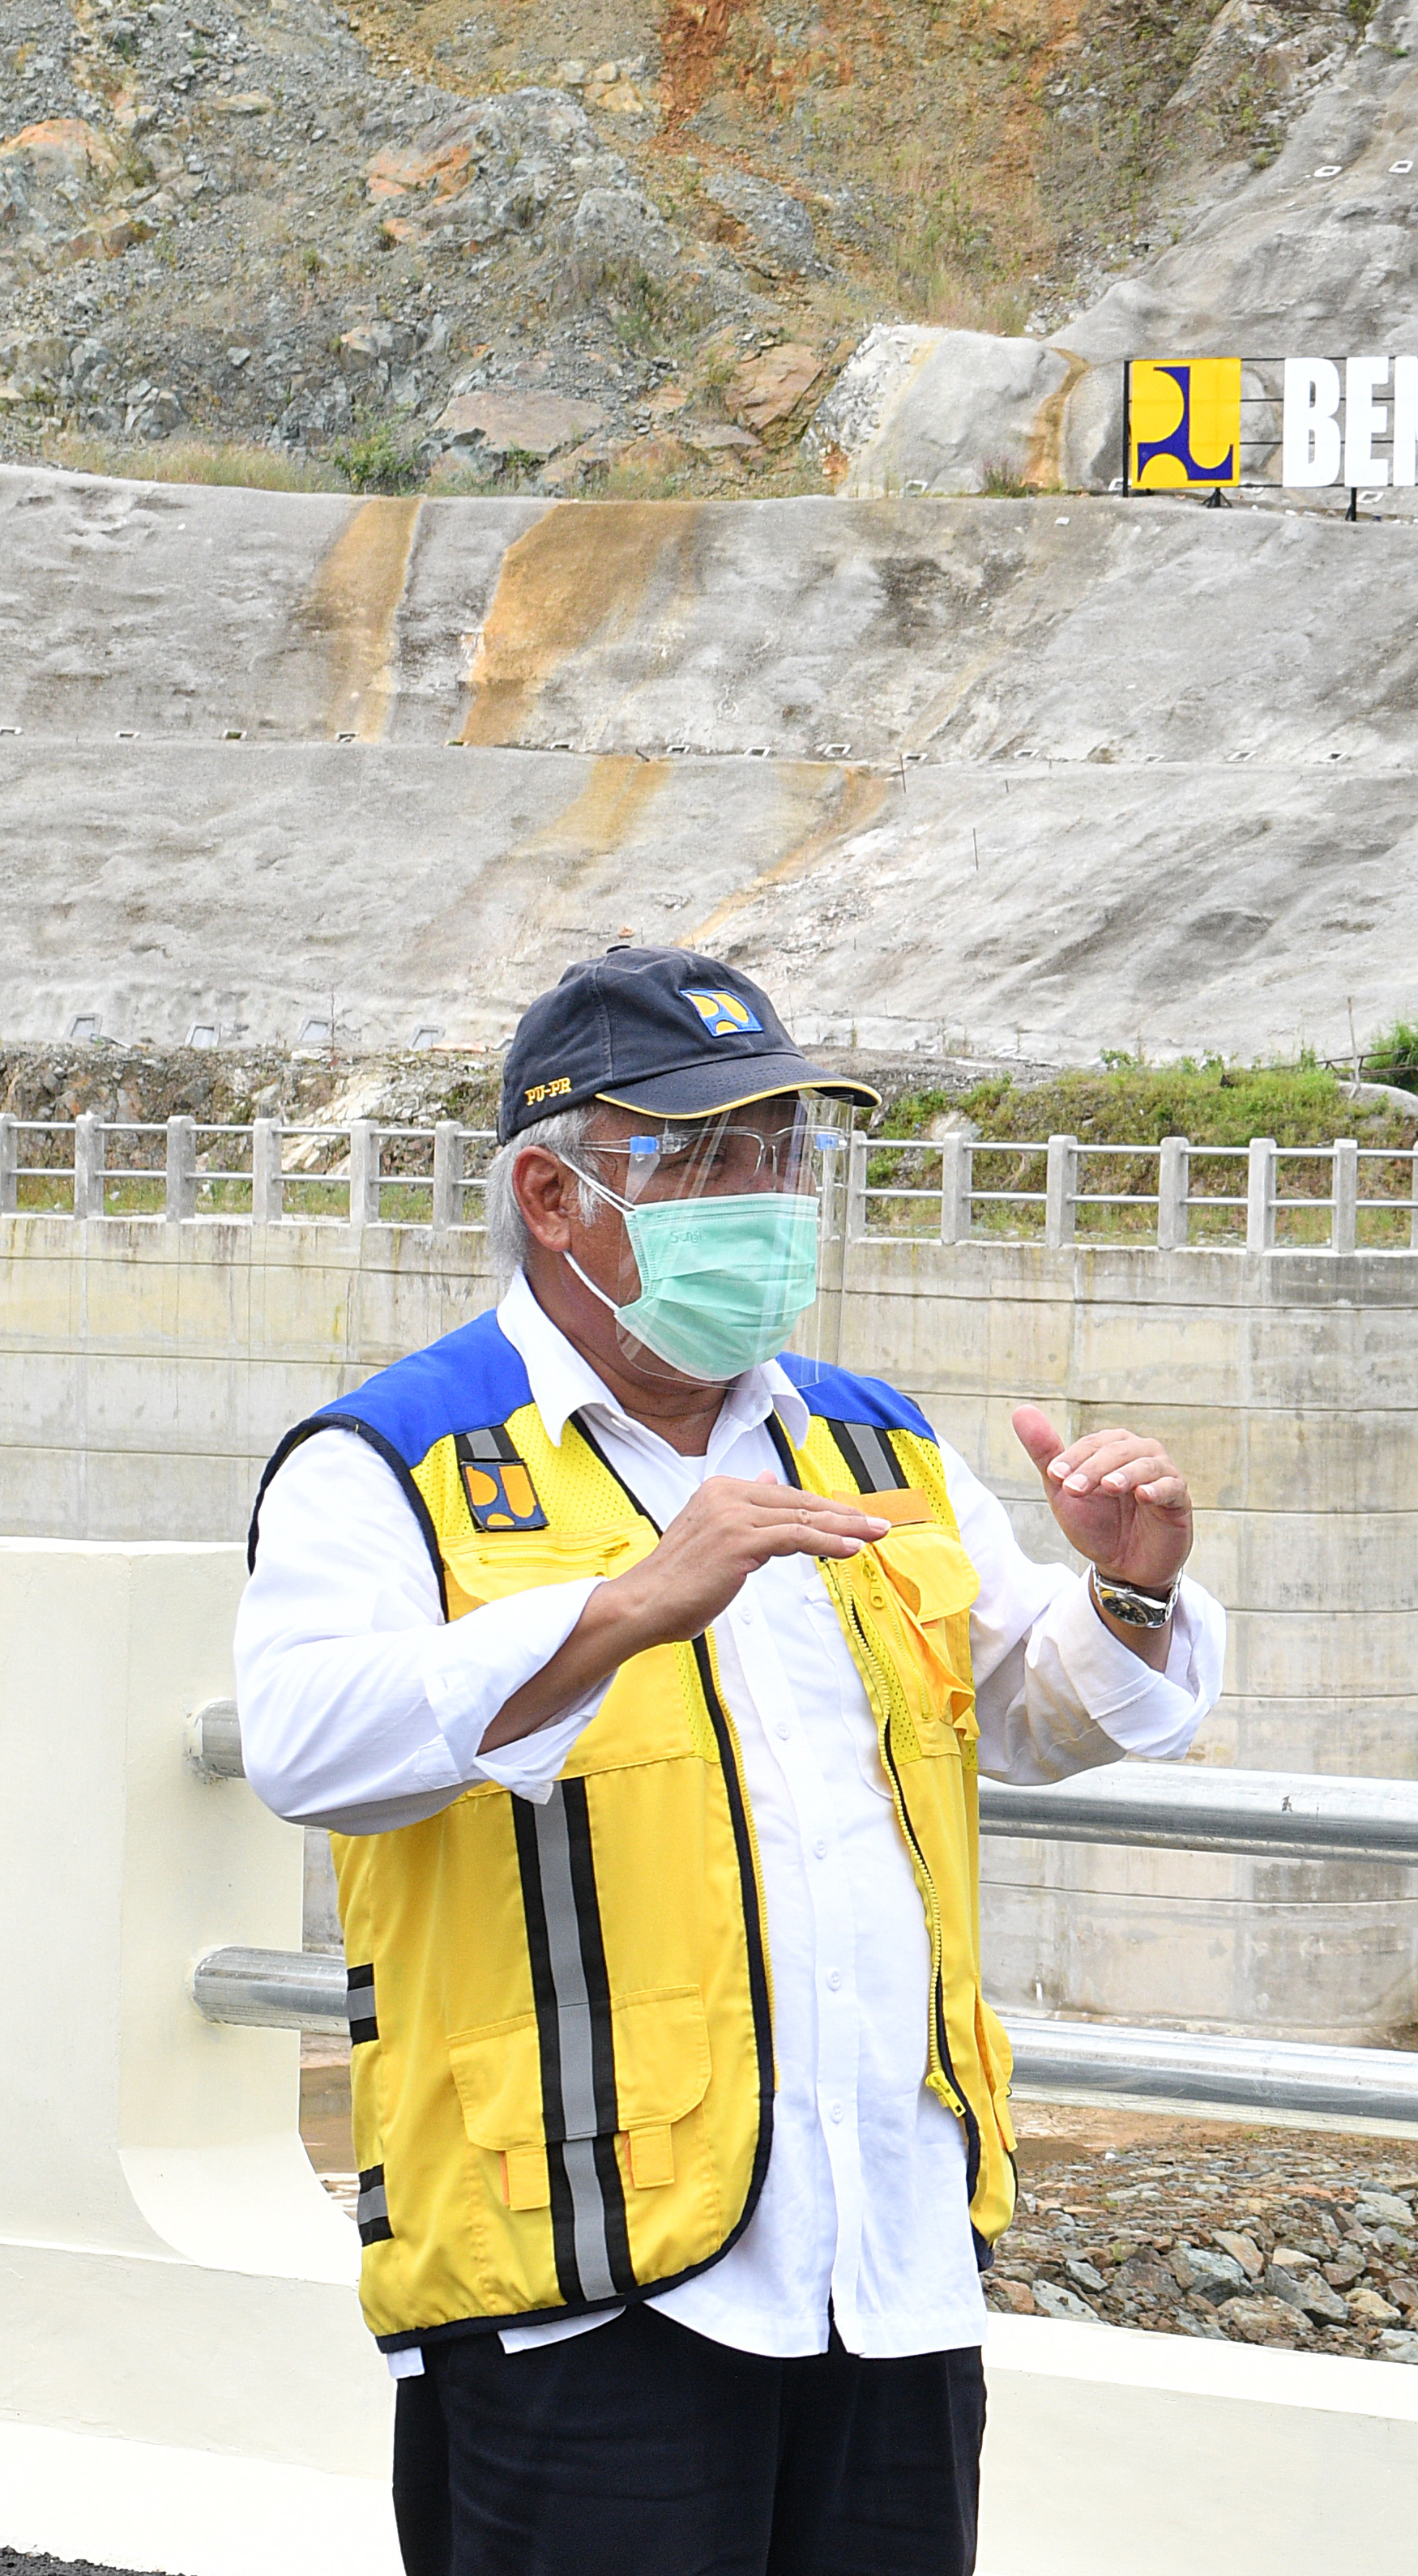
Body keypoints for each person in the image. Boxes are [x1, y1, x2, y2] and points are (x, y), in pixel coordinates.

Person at [235, 946, 1224, 2576]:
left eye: (784, 1152)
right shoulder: (391, 1460)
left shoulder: (872, 1441)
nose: (762, 1194)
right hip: (582, 2284)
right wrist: (623, 1610)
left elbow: (1044, 1715)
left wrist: (1130, 1584)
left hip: (883, 2260)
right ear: (552, 1197)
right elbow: (309, 1748)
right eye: (703, 1157)